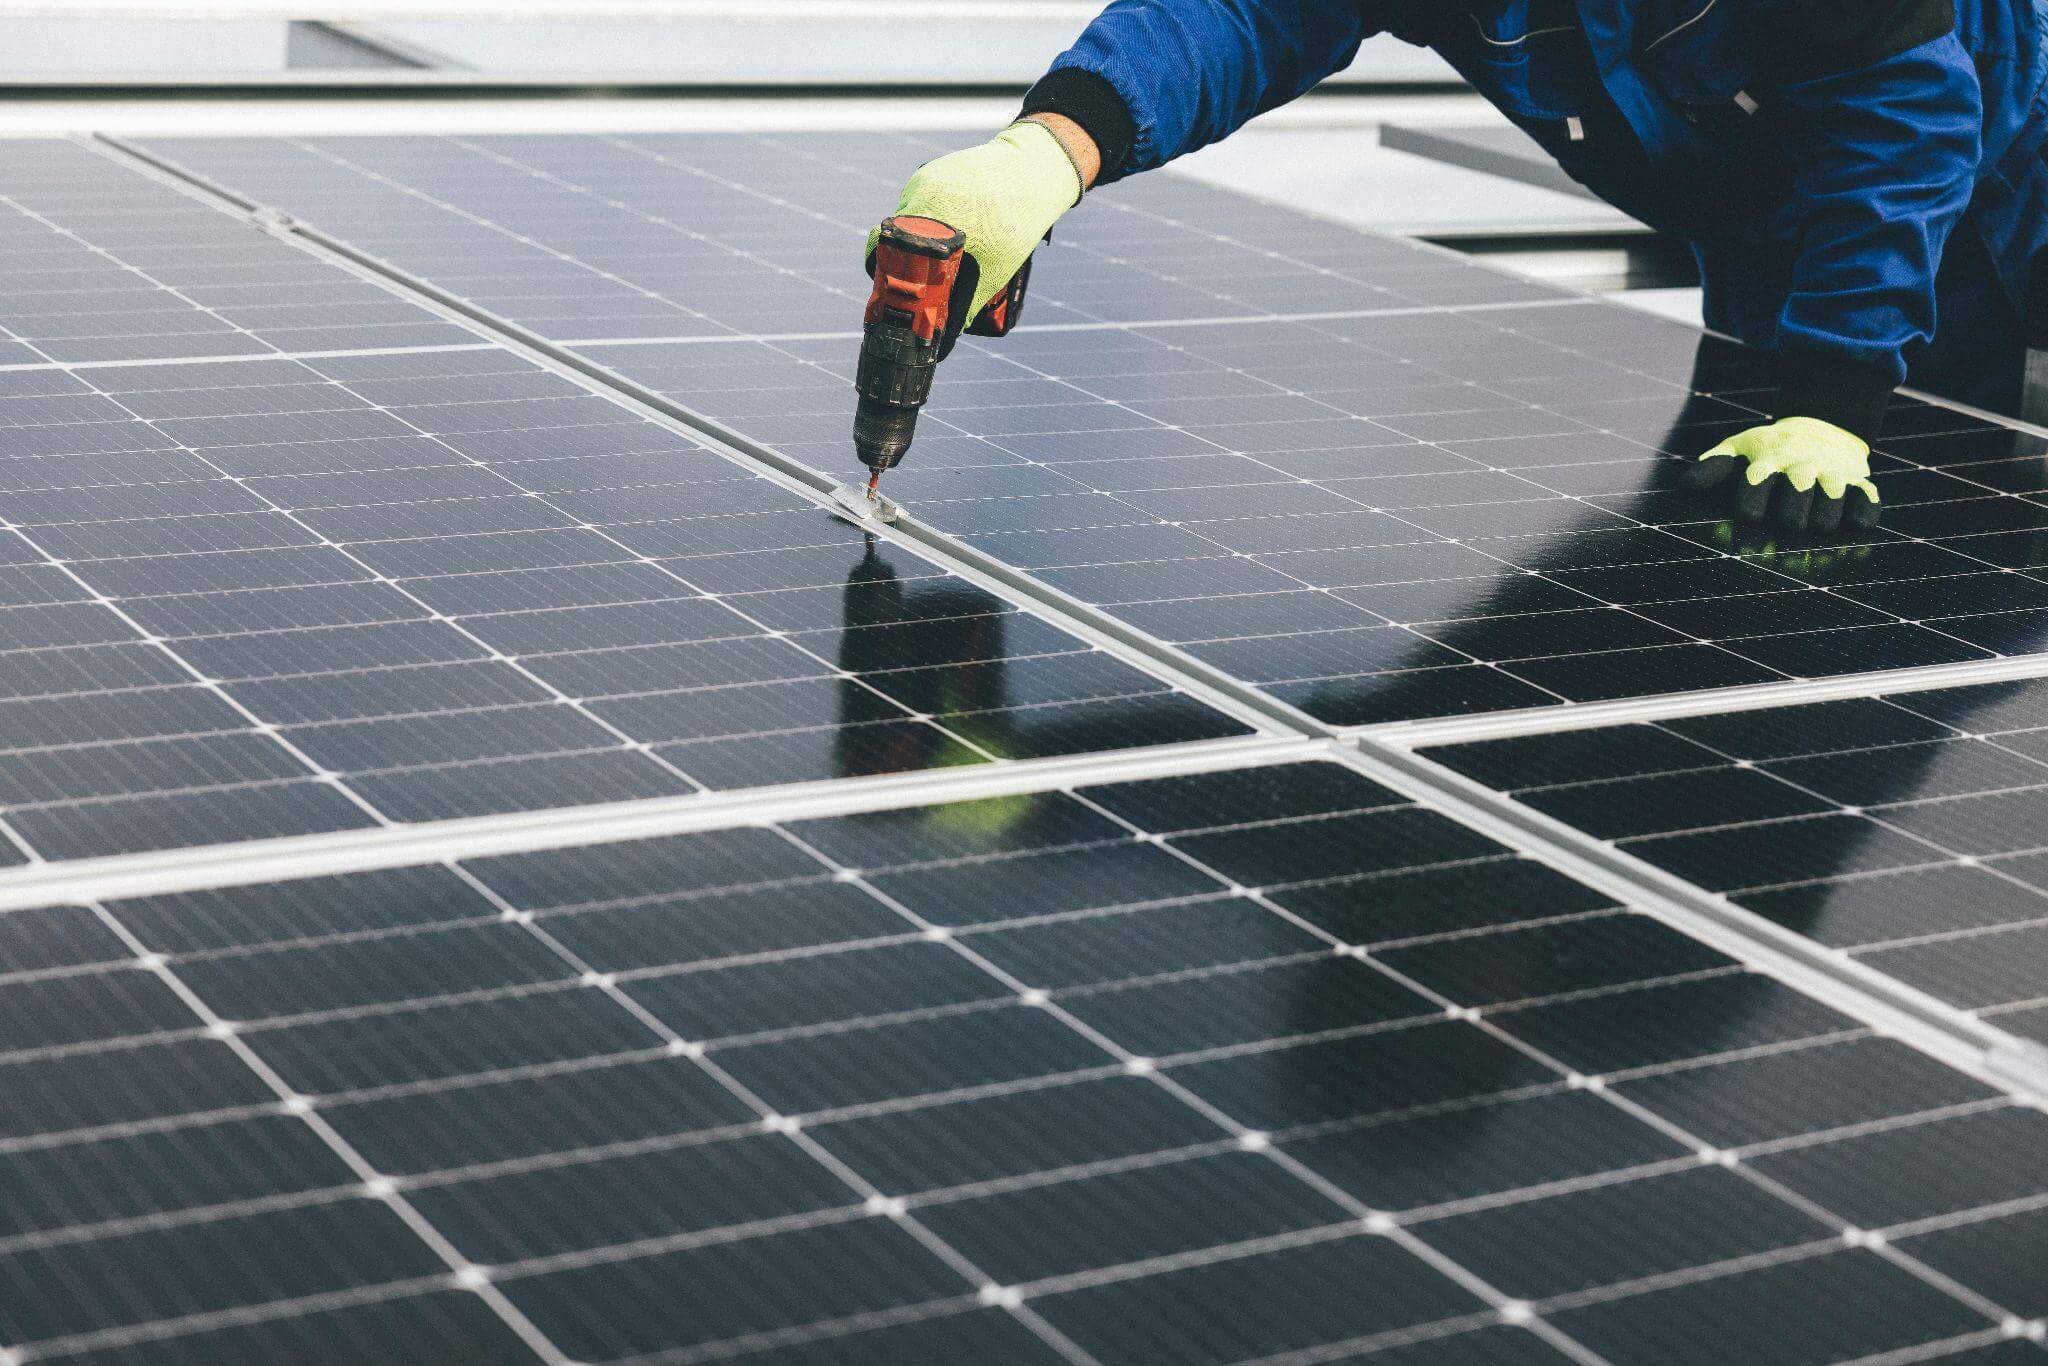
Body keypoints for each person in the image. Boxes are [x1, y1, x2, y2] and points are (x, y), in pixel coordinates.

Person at [873, 0, 2048, 534]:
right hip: (1764, 217)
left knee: (1914, 524)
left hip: (1994, 171)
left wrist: (1834, 396)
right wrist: (1049, 149)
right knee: (1746, 537)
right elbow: (1239, 16)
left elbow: (1900, 120)